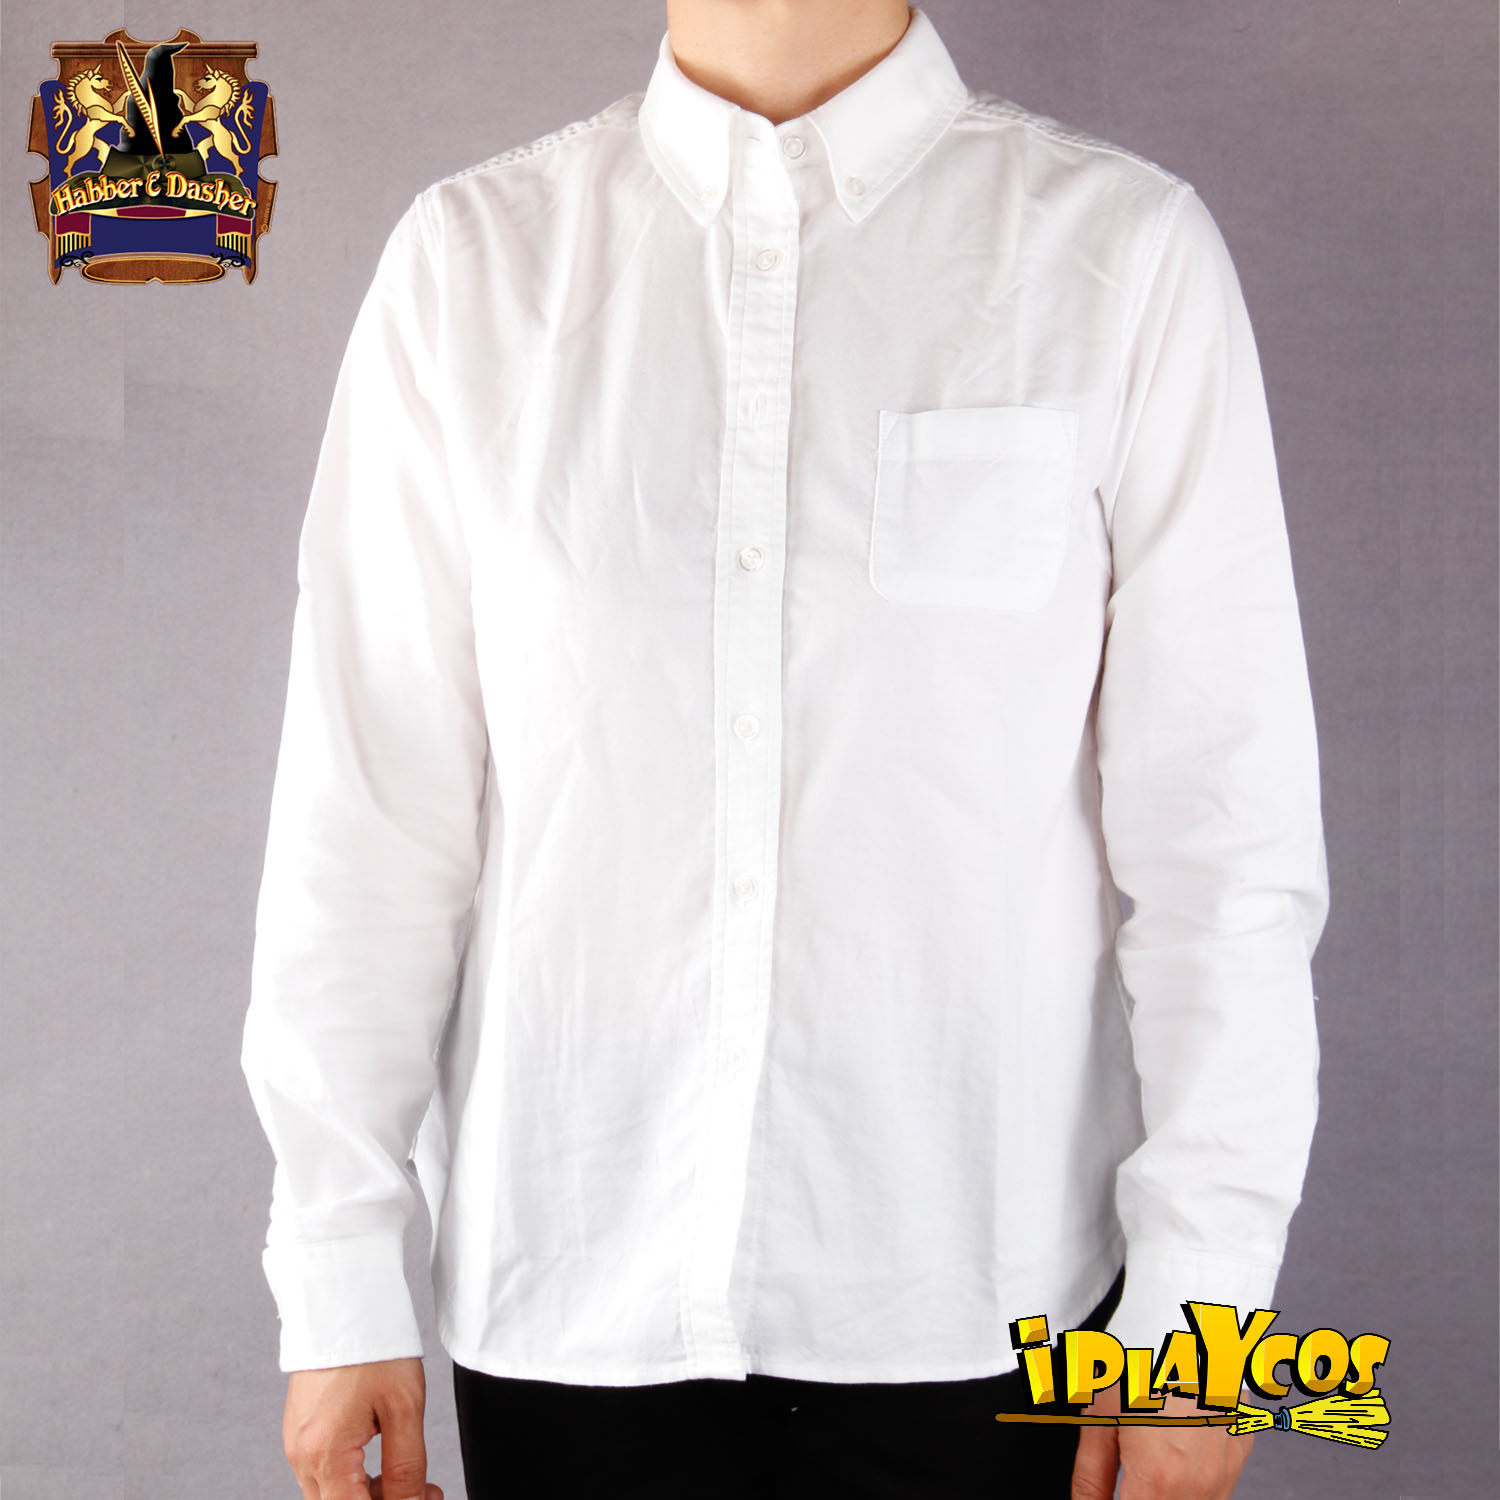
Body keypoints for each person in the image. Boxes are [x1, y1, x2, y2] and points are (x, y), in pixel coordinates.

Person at [240, 3, 1328, 1498]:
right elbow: (366, 822)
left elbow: (1227, 852)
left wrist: (1208, 1327)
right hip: (573, 1304)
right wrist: (337, 1272)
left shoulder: (1121, 254)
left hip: (994, 1314)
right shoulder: (471, 265)